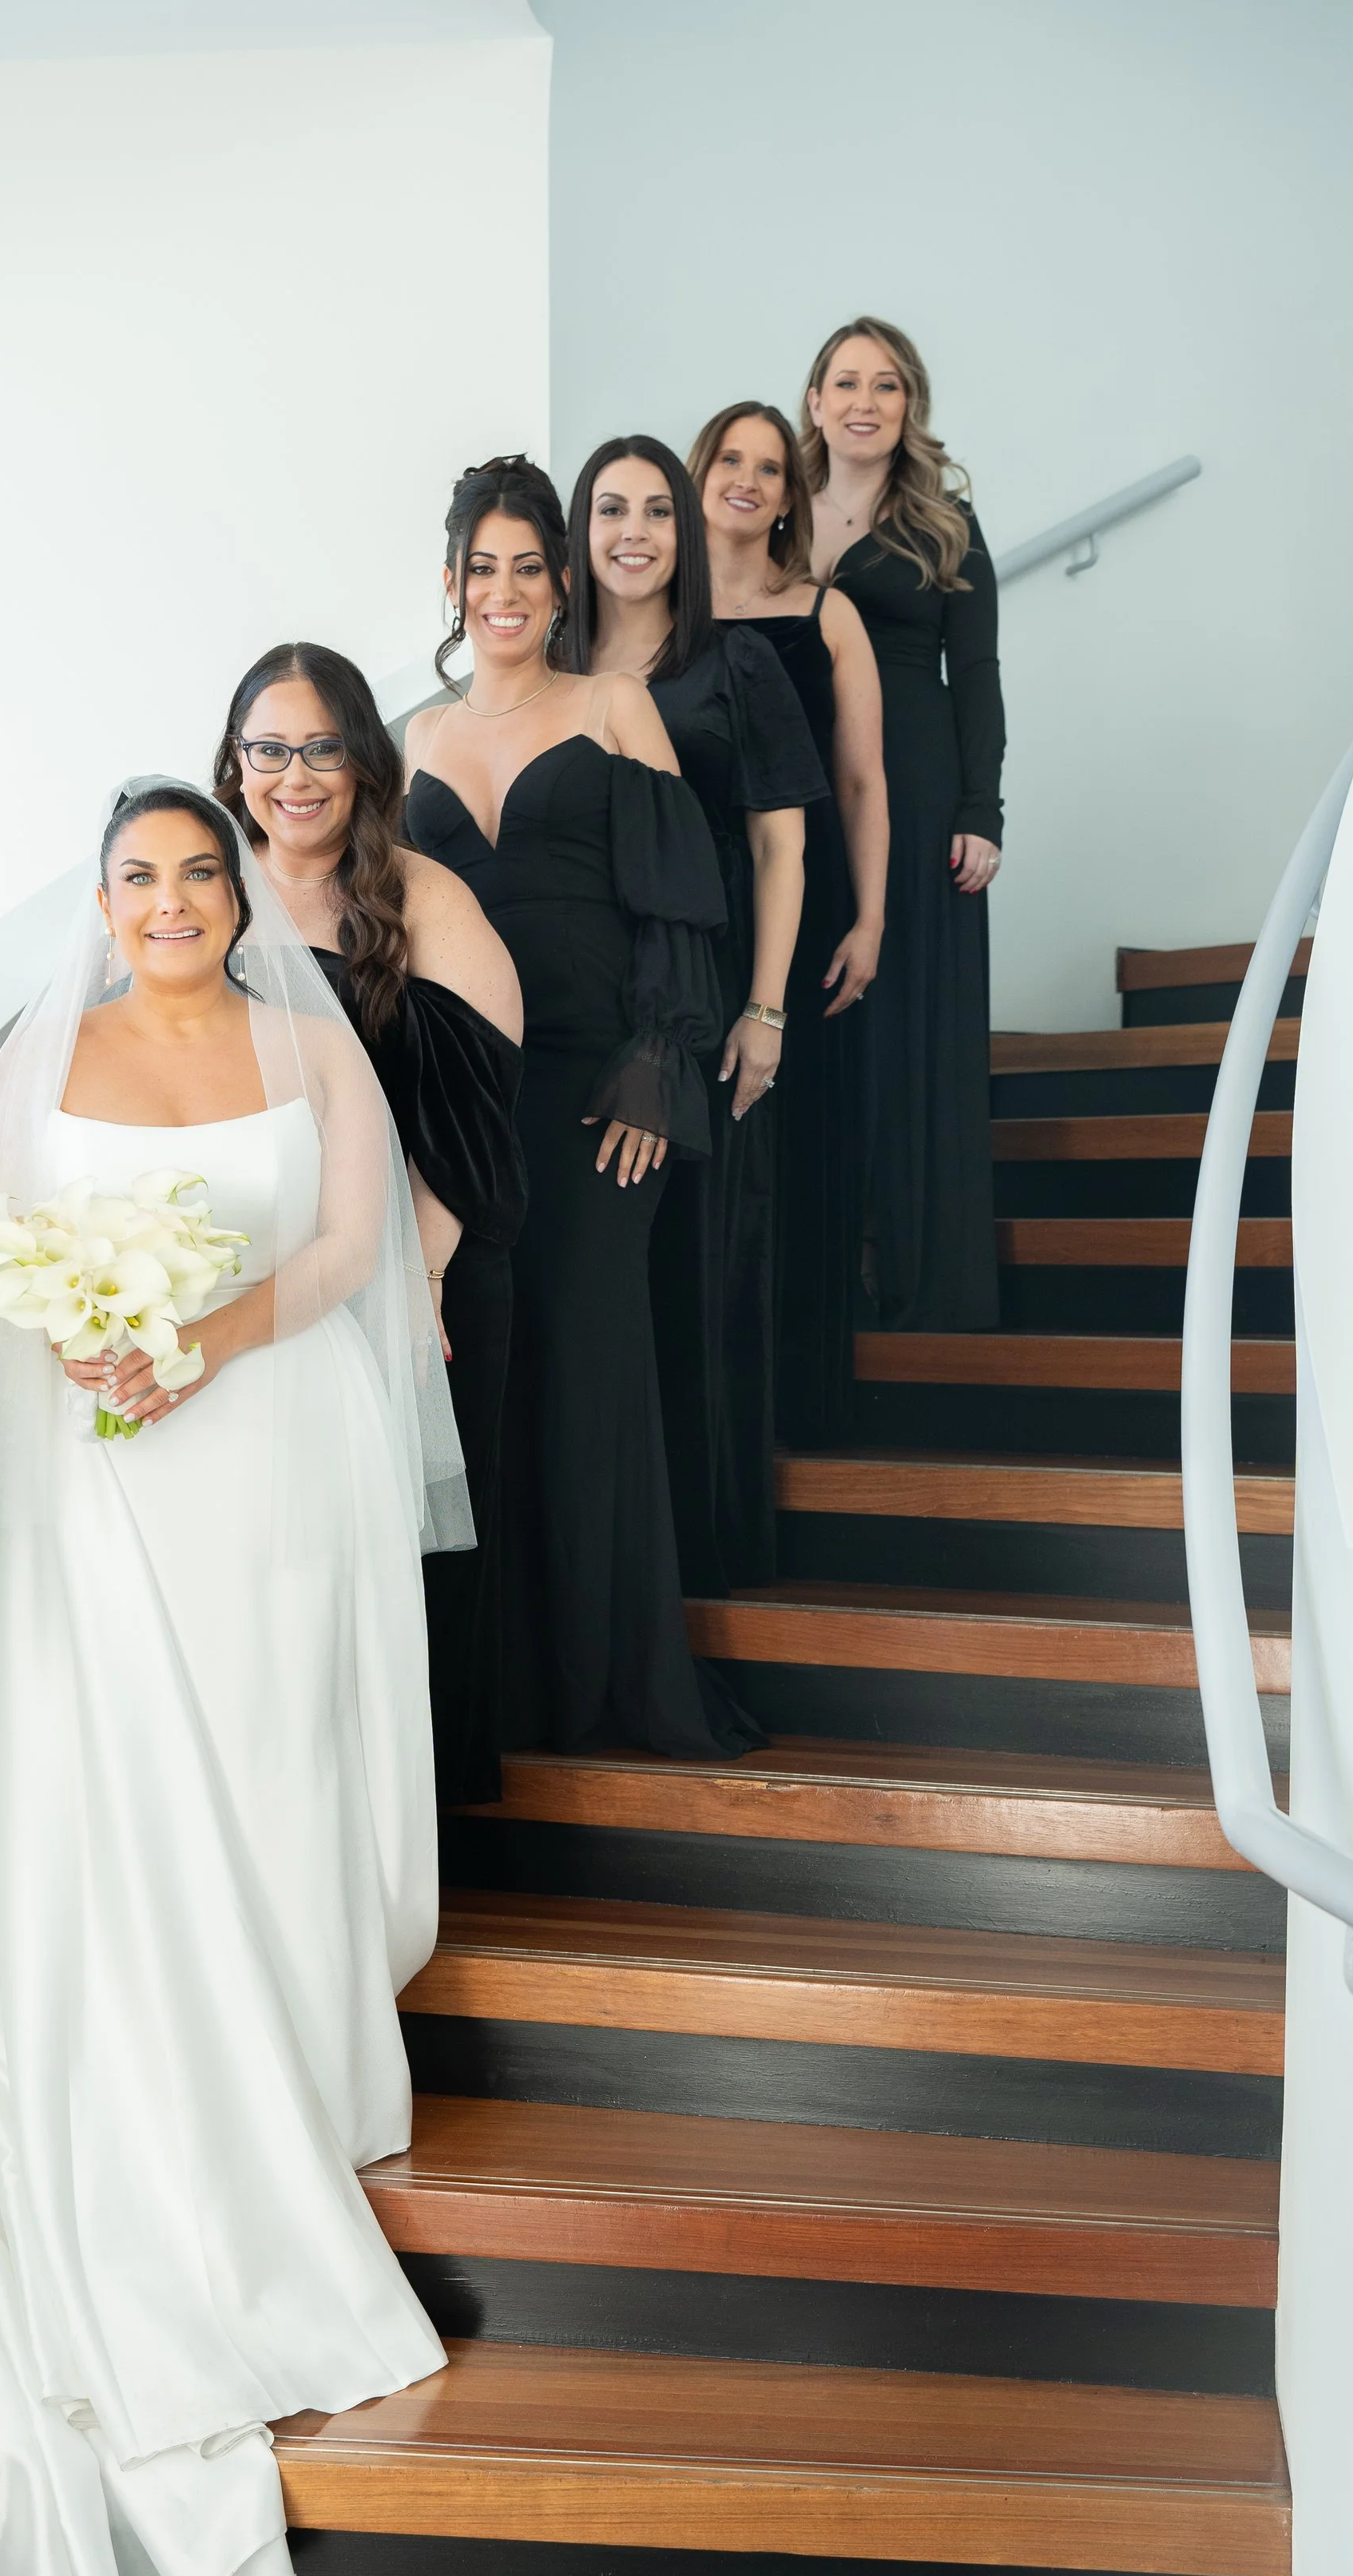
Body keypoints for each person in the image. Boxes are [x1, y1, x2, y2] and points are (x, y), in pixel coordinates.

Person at [0, 780, 467, 2576]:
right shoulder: (46, 1058)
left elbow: (348, 1249)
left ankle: (299, 2064)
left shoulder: (299, 1038)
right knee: (140, 1789)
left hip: (274, 1457)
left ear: (235, 890)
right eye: (141, 875)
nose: (173, 899)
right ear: (99, 900)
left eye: (200, 871)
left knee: (278, 1769)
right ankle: (179, 2130)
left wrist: (209, 1337)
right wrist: (96, 1346)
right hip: (116, 1484)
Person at [403, 452, 746, 1756]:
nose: (503, 589)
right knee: (489, 1386)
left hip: (609, 1096)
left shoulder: (614, 709)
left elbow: (677, 906)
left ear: (560, 583)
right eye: (479, 567)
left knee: (592, 1371)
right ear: (451, 582)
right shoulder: (415, 744)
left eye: (526, 567)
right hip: (470, 1114)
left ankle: (609, 1687)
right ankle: (501, 1699)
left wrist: (659, 1071)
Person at [214, 641, 524, 1806]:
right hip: (259, 1283)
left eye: (322, 747)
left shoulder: (419, 894)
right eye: (270, 749)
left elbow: (480, 1104)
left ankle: (412, 1813)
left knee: (408, 1544)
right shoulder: (208, 897)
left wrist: (416, 1276)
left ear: (364, 759)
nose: (296, 775)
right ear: (236, 764)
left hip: (418, 1269)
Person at [562, 434, 825, 1590]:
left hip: (702, 1000)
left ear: (686, 528)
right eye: (610, 509)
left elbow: (781, 843)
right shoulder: (550, 663)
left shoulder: (737, 666)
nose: (634, 532)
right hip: (580, 1009)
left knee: (702, 1274)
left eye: (656, 511)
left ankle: (710, 1567)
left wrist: (764, 1006)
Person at [688, 399, 888, 1447]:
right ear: (701, 470)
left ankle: (804, 1410)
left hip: (799, 917)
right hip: (682, 920)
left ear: (788, 494)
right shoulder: (643, 615)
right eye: (732, 458)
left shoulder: (826, 614)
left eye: (770, 467)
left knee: (800, 1162)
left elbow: (858, 780)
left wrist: (872, 917)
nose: (750, 479)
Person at [800, 316, 1006, 1332]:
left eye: (886, 385)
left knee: (912, 1035)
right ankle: (830, 1265)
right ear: (814, 401)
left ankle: (923, 1275)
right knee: (820, 1015)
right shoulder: (775, 518)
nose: (864, 402)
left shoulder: (945, 526)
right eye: (846, 383)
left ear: (909, 406)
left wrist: (982, 811)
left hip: (919, 799)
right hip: (803, 791)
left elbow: (975, 680)